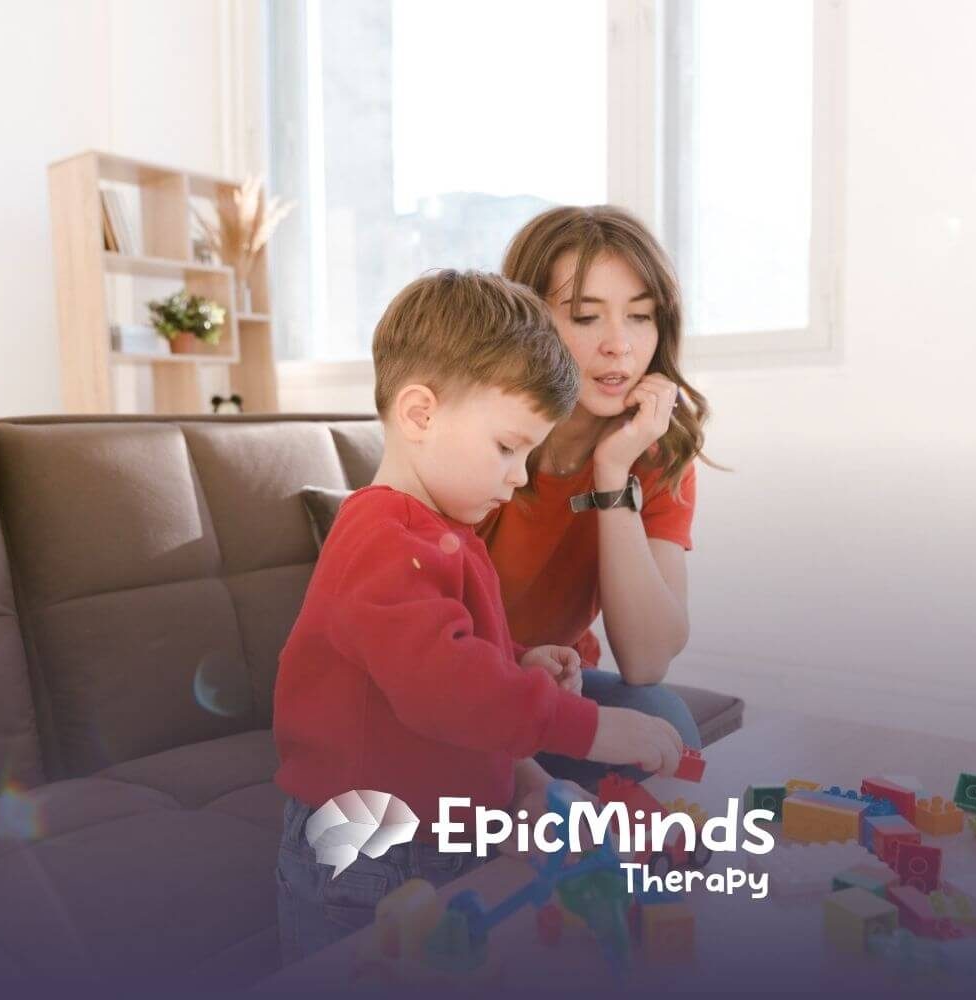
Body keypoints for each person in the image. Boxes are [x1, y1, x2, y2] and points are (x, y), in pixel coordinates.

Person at [271, 269, 684, 967]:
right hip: (373, 851)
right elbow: (445, 690)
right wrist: (595, 731)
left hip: (430, 837)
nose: (519, 475)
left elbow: (437, 650)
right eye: (506, 447)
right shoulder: (382, 538)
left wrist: (516, 657)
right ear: (420, 414)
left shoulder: (437, 530)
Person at [479, 206, 713, 789]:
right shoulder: (484, 440)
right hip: (458, 689)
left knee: (666, 722)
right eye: (586, 317)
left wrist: (613, 474)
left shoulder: (655, 452)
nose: (619, 346)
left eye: (640, 317)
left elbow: (647, 660)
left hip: (550, 690)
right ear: (529, 323)